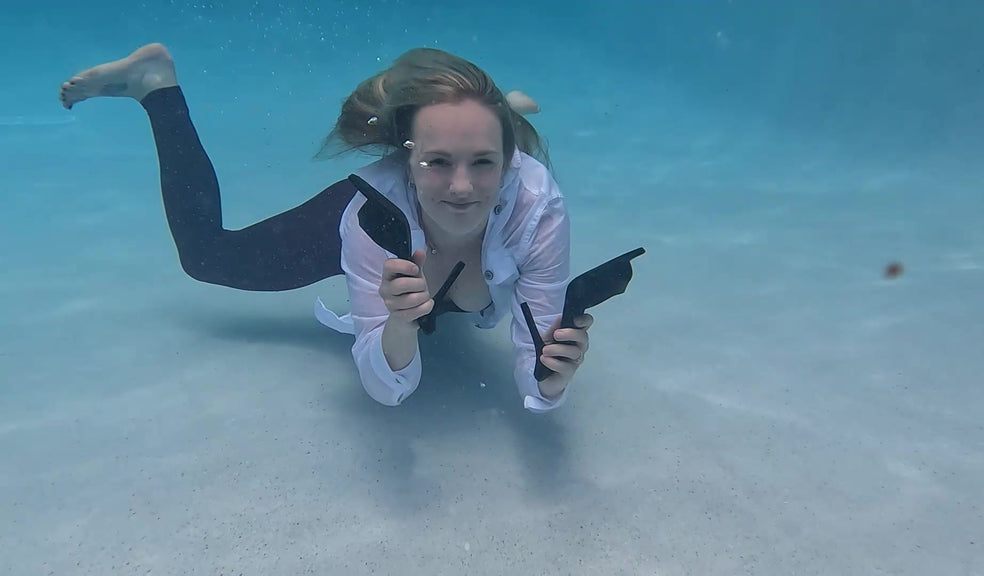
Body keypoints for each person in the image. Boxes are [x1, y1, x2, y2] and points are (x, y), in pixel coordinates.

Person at [58, 43, 592, 412]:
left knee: (469, 168)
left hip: (471, 177)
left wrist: (552, 382)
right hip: (384, 214)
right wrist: (399, 325)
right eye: (437, 161)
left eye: (484, 160)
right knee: (205, 257)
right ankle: (155, 84)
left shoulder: (537, 212)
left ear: (507, 158)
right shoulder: (371, 215)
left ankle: (493, 119)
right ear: (406, 159)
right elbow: (385, 389)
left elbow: (536, 360)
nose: (460, 188)